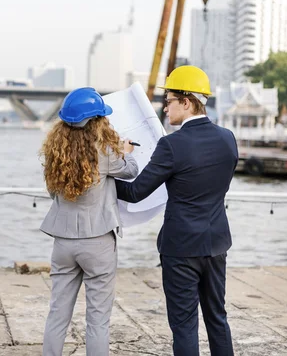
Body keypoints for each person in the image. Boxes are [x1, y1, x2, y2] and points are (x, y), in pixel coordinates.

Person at [115, 66, 238, 356]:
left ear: (187, 101)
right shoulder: (228, 138)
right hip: (217, 243)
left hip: (180, 247)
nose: (164, 107)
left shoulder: (171, 145)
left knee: (184, 325)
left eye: (168, 100)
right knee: (217, 318)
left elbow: (134, 193)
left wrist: (114, 167)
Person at [40, 87, 138, 356]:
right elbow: (131, 170)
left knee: (57, 314)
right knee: (97, 320)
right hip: (98, 242)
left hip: (63, 242)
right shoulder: (104, 153)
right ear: (97, 120)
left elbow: (53, 193)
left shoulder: (54, 154)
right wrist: (125, 150)